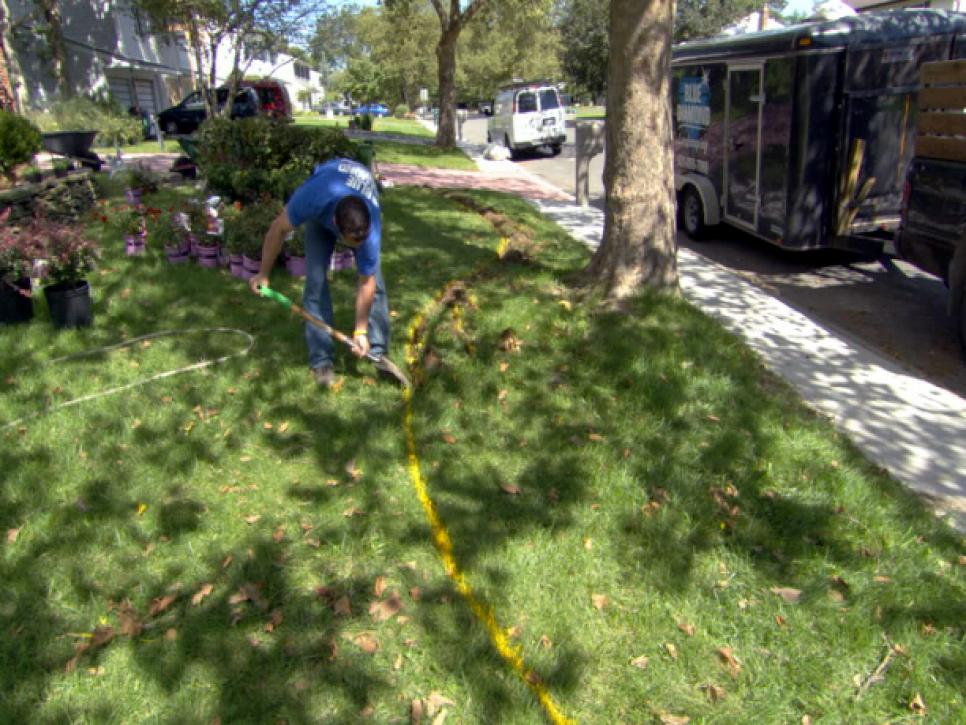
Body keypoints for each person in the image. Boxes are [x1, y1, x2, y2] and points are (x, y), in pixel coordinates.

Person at [248, 157, 399, 388]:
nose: (357, 247)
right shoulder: (311, 198)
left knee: (374, 281)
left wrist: (360, 330)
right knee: (316, 282)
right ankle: (322, 360)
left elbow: (366, 283)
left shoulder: (370, 230)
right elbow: (278, 229)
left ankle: (377, 352)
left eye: (361, 241)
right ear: (336, 225)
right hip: (327, 197)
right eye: (352, 243)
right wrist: (263, 273)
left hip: (356, 192)